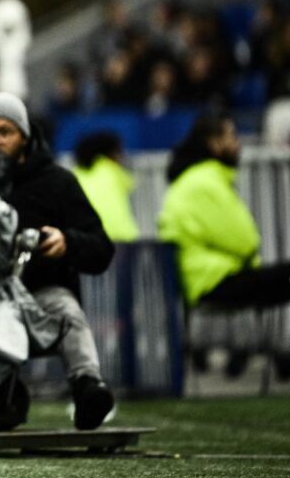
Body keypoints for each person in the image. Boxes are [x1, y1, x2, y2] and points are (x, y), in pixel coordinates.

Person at [0, 92, 116, 430]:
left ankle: (88, 386)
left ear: (25, 136)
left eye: (4, 132)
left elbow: (101, 248)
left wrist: (67, 242)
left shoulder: (58, 183)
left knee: (64, 308)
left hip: (38, 297)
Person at [157, 112, 290, 376]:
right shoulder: (205, 181)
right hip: (214, 279)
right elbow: (247, 241)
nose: (237, 143)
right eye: (231, 136)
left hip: (201, 278)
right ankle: (277, 359)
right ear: (213, 143)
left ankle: (266, 358)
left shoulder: (192, 179)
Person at [72, 131, 139, 243]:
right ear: (110, 154)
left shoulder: (74, 175)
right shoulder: (110, 170)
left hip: (85, 240)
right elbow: (130, 184)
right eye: (118, 153)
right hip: (121, 238)